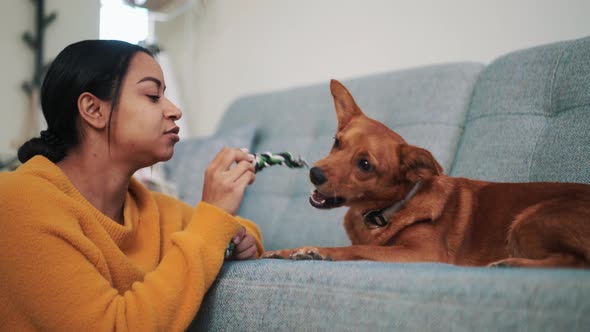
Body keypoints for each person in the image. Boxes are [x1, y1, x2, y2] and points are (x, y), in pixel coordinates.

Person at [0, 39, 263, 331]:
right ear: (93, 109)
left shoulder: (153, 210)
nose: (175, 110)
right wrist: (214, 215)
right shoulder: (19, 201)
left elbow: (242, 229)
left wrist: (237, 239)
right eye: (152, 96)